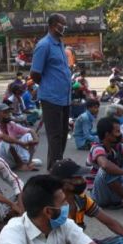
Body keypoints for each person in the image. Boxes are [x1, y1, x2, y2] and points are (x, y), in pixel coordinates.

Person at [31, 13, 72, 169]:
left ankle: (56, 167)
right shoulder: (44, 45)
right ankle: (55, 170)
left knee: (62, 136)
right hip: (51, 98)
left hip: (64, 98)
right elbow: (35, 73)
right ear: (54, 25)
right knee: (55, 137)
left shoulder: (59, 43)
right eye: (63, 23)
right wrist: (48, 86)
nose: (65, 27)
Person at [0, 103, 40, 171]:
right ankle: (20, 165)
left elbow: (30, 130)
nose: (8, 114)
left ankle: (28, 162)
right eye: (5, 112)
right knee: (5, 142)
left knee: (29, 136)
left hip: (11, 155)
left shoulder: (11, 124)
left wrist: (36, 140)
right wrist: (21, 143)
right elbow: (3, 137)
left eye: (9, 112)